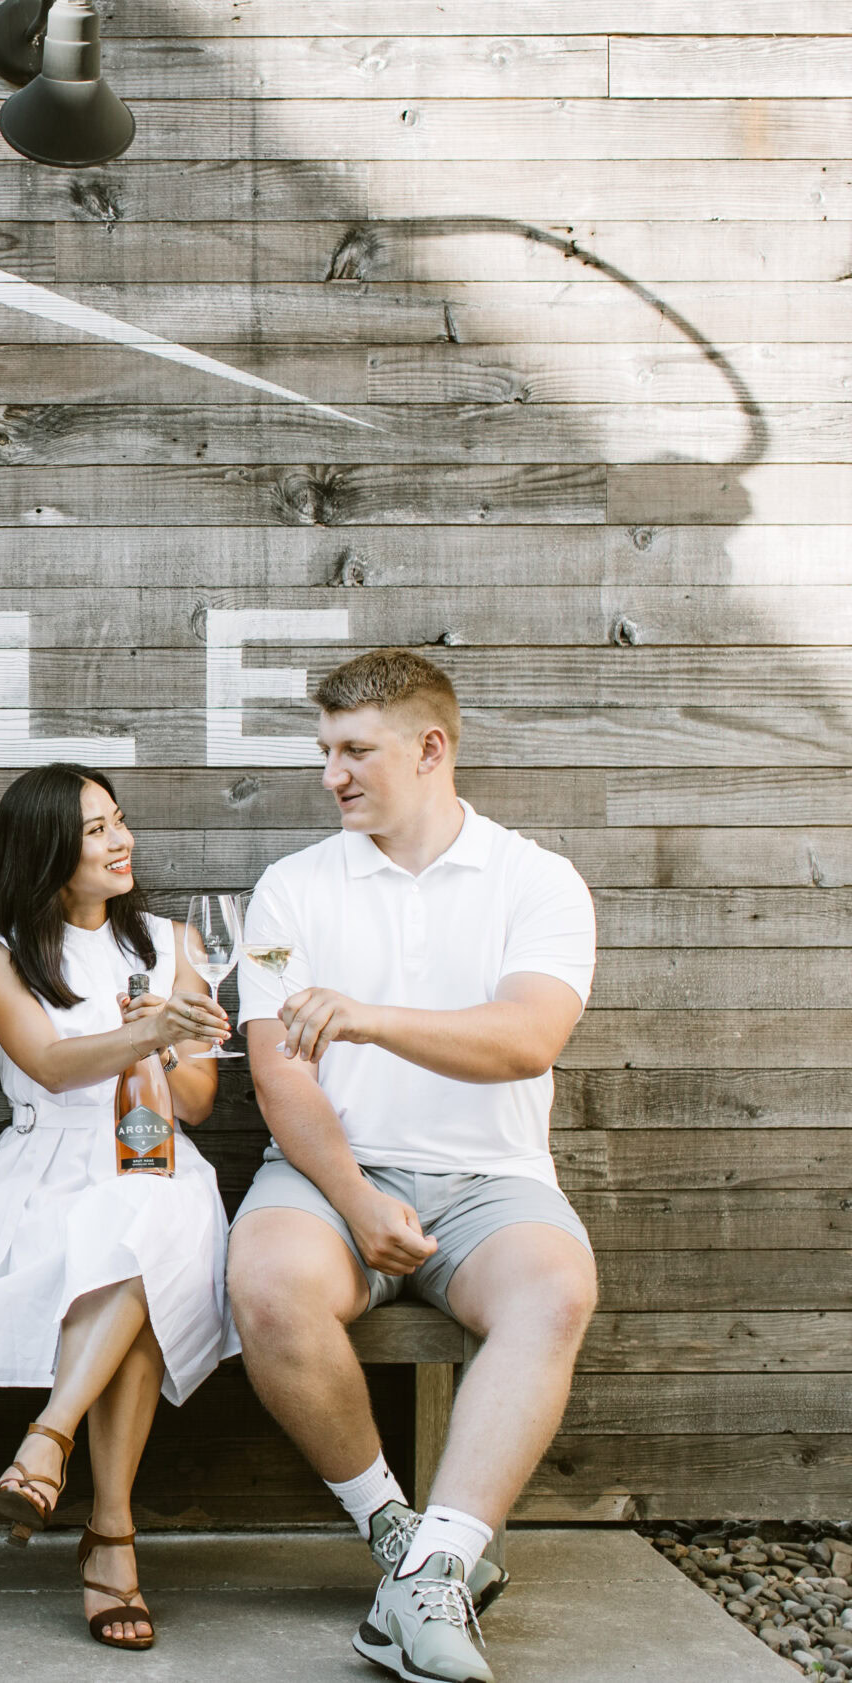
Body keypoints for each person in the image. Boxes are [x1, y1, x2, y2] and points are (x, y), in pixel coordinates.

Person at [227, 649, 597, 1683]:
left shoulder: (539, 881)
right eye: (323, 753)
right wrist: (352, 1194)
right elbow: (278, 1074)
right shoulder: (288, 890)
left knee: (555, 1291)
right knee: (263, 1283)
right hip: (329, 1176)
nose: (331, 774)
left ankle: (436, 1568)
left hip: (492, 1181)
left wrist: (371, 1018)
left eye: (355, 751)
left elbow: (526, 1038)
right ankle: (406, 1547)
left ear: (430, 748)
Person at [0, 764, 236, 1651]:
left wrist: (169, 1047)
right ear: (48, 847)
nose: (120, 839)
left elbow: (204, 1101)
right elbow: (54, 1064)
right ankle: (111, 1536)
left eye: (120, 820)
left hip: (156, 1156)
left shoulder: (174, 941)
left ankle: (47, 1442)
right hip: (46, 1165)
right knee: (140, 1257)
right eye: (96, 828)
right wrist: (152, 1028)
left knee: (146, 1218)